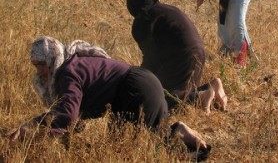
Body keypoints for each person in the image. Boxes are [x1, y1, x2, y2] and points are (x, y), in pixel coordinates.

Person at [7, 36, 210, 160]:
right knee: (134, 141)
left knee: (134, 149)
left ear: (51, 58)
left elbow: (66, 114)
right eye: (36, 65)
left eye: (41, 64)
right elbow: (72, 115)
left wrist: (35, 129)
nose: (40, 70)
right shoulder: (72, 64)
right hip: (140, 82)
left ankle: (179, 134)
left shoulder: (66, 74)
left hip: (134, 89)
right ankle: (177, 131)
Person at [126, 0, 227, 113]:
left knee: (162, 99)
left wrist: (142, 81)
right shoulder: (167, 8)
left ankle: (201, 97)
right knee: (185, 91)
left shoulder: (142, 20)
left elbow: (150, 57)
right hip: (198, 51)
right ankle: (211, 86)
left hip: (181, 55)